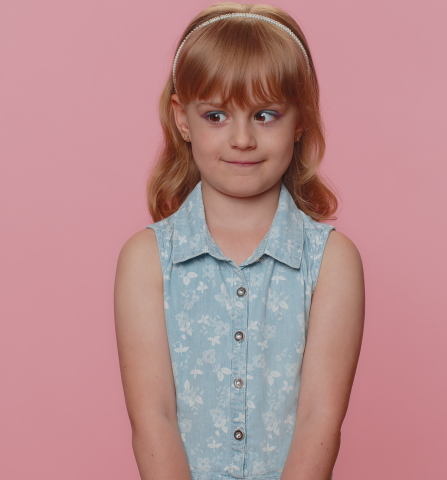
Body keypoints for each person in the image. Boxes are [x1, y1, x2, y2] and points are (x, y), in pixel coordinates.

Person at [114, 3, 365, 479]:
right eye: (216, 116)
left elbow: (321, 419)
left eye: (266, 114)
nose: (243, 138)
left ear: (301, 120)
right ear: (182, 119)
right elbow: (153, 419)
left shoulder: (331, 261)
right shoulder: (147, 261)